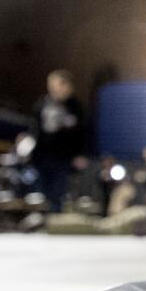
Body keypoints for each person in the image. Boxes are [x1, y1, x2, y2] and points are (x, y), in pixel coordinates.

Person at [31, 70, 88, 212]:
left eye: (58, 84)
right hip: (44, 155)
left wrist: (80, 154)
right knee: (43, 190)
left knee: (59, 190)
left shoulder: (75, 107)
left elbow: (82, 133)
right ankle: (45, 218)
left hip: (64, 156)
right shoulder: (42, 104)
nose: (54, 88)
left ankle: (55, 220)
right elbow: (35, 128)